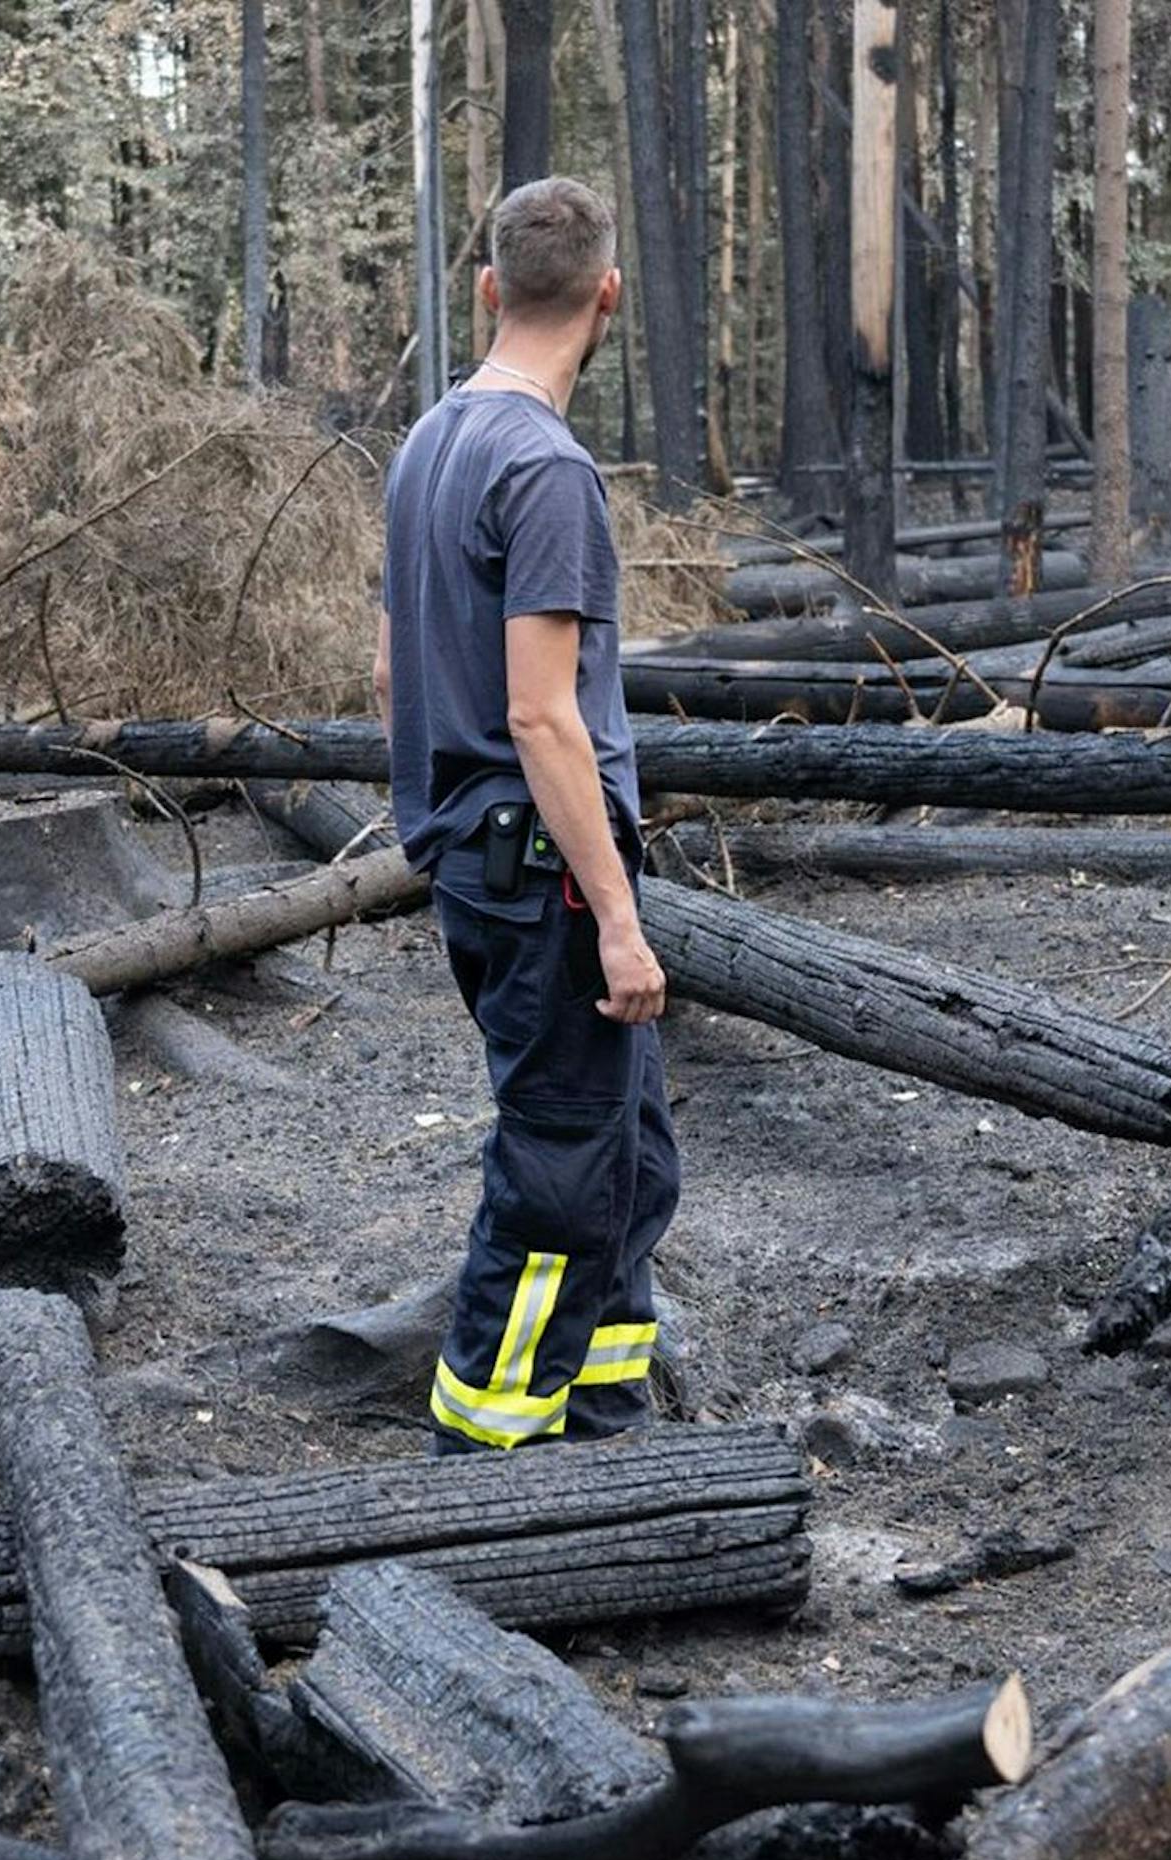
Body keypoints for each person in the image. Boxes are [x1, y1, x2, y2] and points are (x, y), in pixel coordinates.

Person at [374, 176, 677, 1454]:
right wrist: (614, 911)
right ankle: (487, 1444)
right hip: (540, 862)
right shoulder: (544, 469)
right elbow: (544, 717)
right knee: (560, 1155)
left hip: (473, 851)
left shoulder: (429, 441)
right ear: (606, 295)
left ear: (490, 289)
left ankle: (607, 1405)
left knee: (631, 1143)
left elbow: (392, 669)